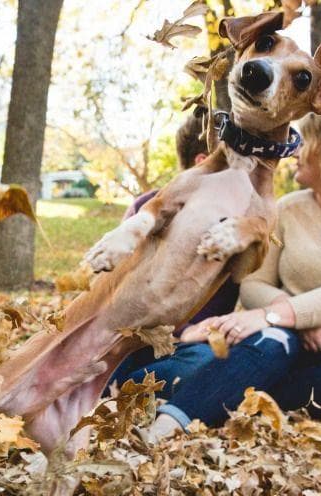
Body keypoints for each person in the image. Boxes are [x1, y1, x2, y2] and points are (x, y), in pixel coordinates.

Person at [145, 100, 321, 438]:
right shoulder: (287, 209)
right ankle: (171, 422)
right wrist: (293, 320)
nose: (294, 149)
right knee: (272, 341)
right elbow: (253, 283)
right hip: (282, 339)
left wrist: (280, 314)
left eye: (304, 138)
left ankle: (222, 389)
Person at [107, 109, 240, 396]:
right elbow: (122, 295)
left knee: (209, 364)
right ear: (204, 163)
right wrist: (183, 331)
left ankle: (127, 391)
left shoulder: (239, 224)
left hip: (193, 351)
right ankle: (118, 391)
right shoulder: (147, 209)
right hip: (135, 341)